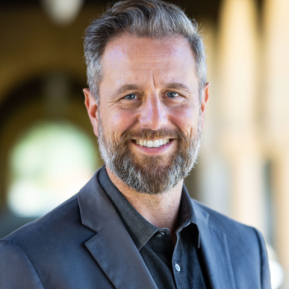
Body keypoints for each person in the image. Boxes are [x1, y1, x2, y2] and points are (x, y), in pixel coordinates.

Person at [0, 0, 271, 288]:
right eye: (130, 96)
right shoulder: (28, 261)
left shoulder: (247, 250)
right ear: (94, 111)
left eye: (173, 94)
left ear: (202, 105)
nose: (154, 121)